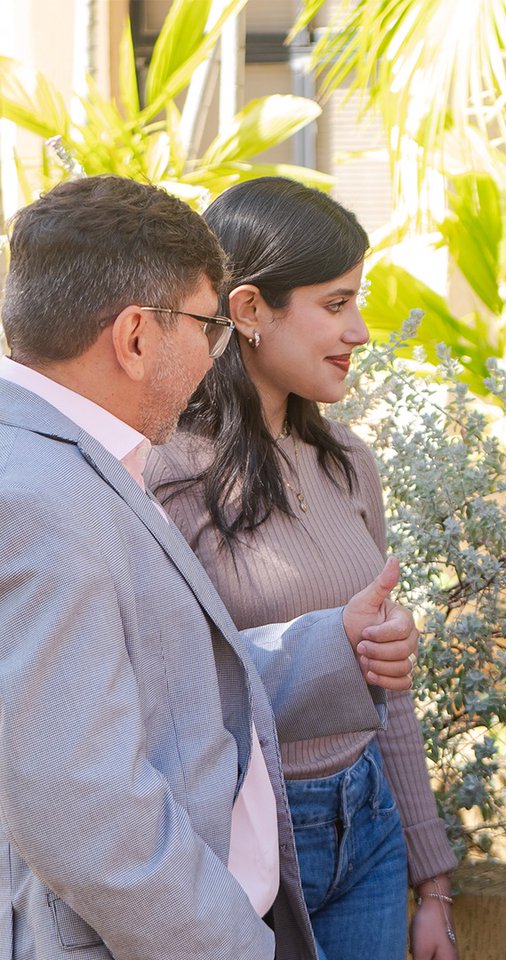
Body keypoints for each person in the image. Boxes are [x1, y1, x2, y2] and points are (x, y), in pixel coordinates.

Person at [0, 175, 419, 960]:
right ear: (134, 337)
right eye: (204, 325)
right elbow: (88, 816)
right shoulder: (36, 501)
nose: (213, 349)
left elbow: (167, 678)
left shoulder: (75, 465)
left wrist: (335, 643)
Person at [145, 177, 458, 960]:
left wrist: (434, 881)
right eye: (336, 304)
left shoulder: (349, 463)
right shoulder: (163, 474)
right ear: (248, 310)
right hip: (245, 846)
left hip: (372, 831)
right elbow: (168, 701)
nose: (359, 330)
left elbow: (389, 685)